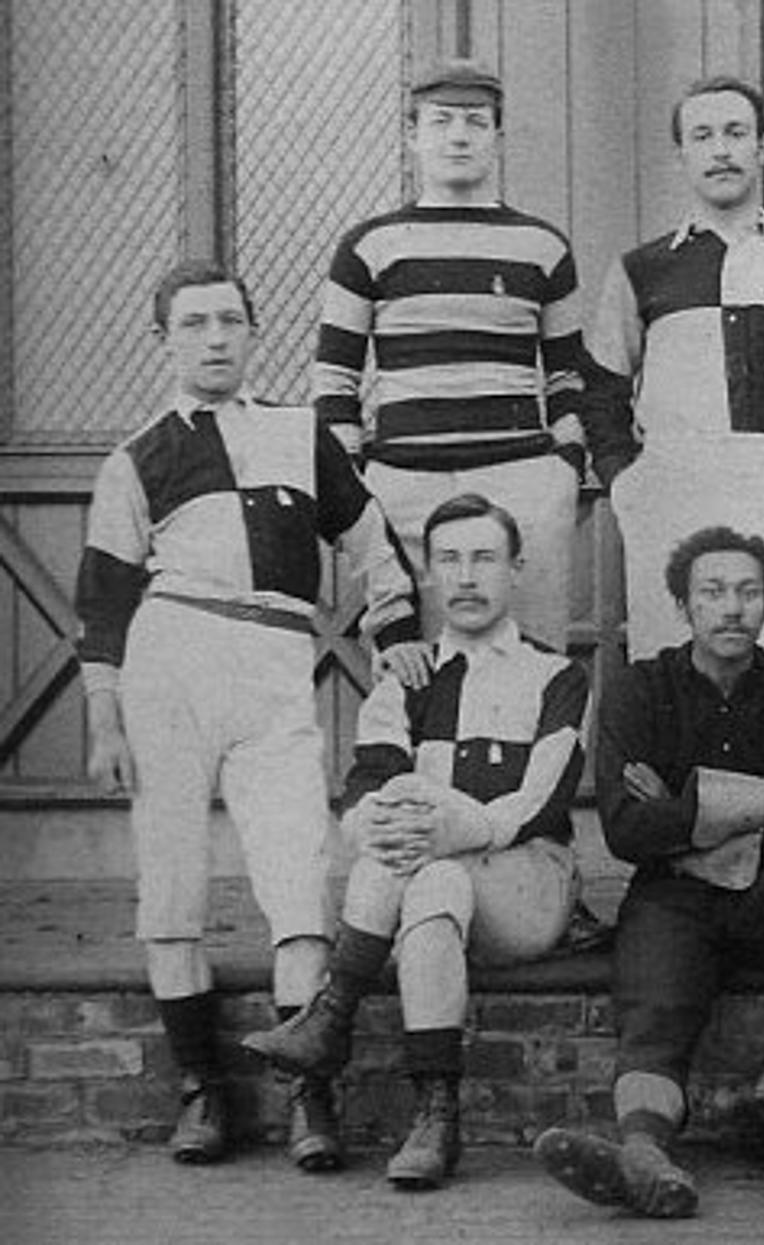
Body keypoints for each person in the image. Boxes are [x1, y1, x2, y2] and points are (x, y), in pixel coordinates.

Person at [74, 261, 423, 1168]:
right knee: (172, 881)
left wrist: (397, 634)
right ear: (165, 340)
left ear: (254, 331)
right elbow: (102, 602)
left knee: (297, 873)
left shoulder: (300, 434)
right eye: (194, 324)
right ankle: (202, 1091)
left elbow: (374, 542)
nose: (215, 338)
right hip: (170, 660)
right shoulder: (137, 456)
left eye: (230, 320)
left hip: (273, 665)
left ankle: (309, 1096)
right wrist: (105, 717)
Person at [239, 494, 589, 1191]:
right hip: (431, 889)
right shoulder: (407, 675)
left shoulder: (556, 674)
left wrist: (456, 824)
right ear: (428, 574)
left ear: (516, 570)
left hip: (527, 881)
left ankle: (333, 1013)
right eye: (449, 560)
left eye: (485, 558)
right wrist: (376, 822)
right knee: (423, 865)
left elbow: (541, 801)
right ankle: (435, 1115)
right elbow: (365, 786)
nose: (467, 576)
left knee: (424, 854)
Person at [533, 526, 764, 1217]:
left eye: (748, 591)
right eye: (712, 592)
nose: (732, 607)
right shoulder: (639, 690)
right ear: (683, 605)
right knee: (654, 1015)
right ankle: (644, 1153)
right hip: (672, 897)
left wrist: (684, 809)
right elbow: (626, 831)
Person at [580, 75, 764, 669]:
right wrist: (624, 483)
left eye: (736, 133)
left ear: (762, 147)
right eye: (703, 136)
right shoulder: (641, 269)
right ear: (681, 154)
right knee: (672, 668)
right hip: (672, 485)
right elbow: (603, 391)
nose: (720, 150)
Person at [313, 57, 588, 653]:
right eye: (441, 121)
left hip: (521, 482)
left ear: (498, 135)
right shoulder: (368, 246)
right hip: (404, 488)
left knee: (532, 664)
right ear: (413, 134)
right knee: (415, 672)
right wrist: (358, 488)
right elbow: (334, 382)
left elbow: (569, 377)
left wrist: (563, 470)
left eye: (475, 121)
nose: (458, 137)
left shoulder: (543, 246)